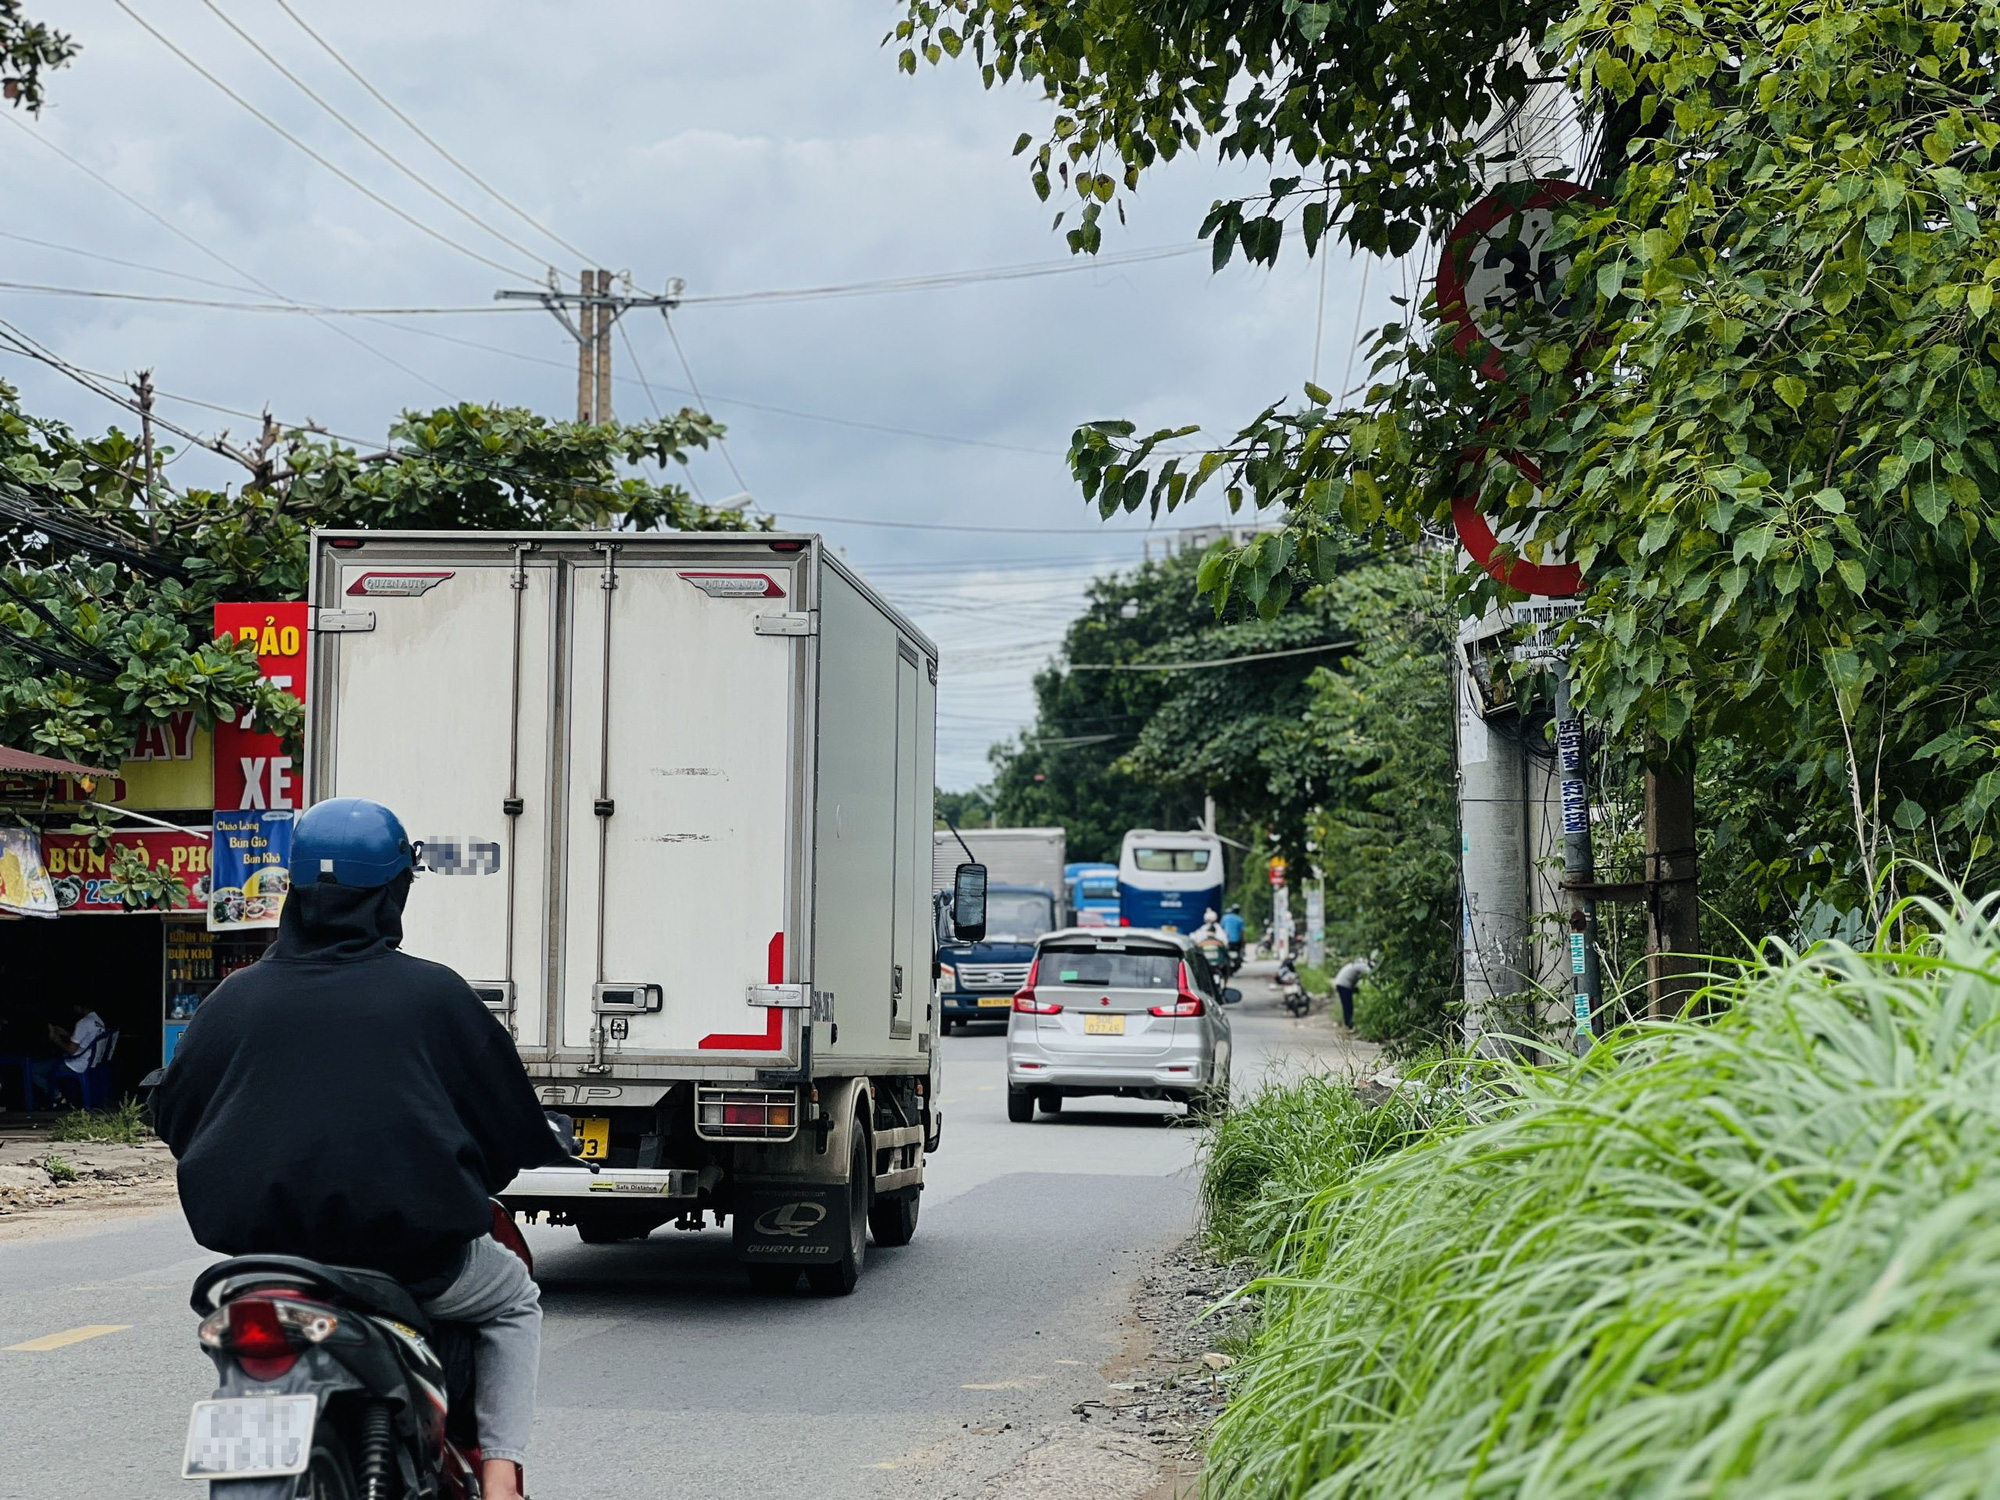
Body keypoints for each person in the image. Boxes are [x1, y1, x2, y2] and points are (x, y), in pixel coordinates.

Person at [153, 798, 565, 1500]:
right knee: (514, 1300)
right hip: (412, 1263)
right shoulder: (434, 996)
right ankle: (500, 1476)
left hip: (265, 1269)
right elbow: (503, 1130)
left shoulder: (233, 999)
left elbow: (177, 1116)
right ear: (392, 894)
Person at [31, 1001, 105, 1108]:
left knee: (32, 1069)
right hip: (90, 1061)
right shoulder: (98, 1021)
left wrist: (55, 1039)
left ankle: (58, 1096)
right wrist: (66, 1033)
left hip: (76, 1064)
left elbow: (71, 1050)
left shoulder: (83, 1023)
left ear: (81, 1007)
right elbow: (85, 1040)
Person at [1333, 955, 1374, 1031]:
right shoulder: (1362, 965)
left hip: (1341, 984)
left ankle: (1348, 1024)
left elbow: (1351, 977)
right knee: (1348, 1006)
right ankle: (1349, 1025)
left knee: (1347, 1005)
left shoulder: (1355, 964)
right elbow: (1371, 975)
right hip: (1344, 985)